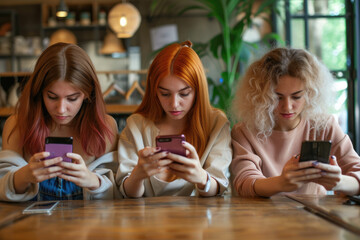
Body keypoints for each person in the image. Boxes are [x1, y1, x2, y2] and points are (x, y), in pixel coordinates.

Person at [231, 47, 360, 197]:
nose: (287, 106)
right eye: (277, 97)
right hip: (262, 218)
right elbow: (244, 184)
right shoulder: (245, 131)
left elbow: (356, 171)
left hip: (314, 216)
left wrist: (339, 182)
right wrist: (281, 183)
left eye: (297, 97)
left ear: (310, 93)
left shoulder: (324, 125)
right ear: (261, 95)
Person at [0, 42, 119, 202]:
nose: (61, 109)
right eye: (52, 97)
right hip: (31, 225)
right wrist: (24, 176)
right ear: (39, 91)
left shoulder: (104, 127)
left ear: (87, 93)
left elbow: (118, 193)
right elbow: (1, 189)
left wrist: (92, 181)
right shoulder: (17, 125)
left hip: (89, 225)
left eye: (72, 98)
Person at [116, 40, 232, 198]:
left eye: (184, 94)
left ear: (199, 90)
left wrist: (201, 178)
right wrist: (137, 175)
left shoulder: (216, 123)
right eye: (165, 94)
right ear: (153, 90)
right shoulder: (136, 125)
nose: (174, 104)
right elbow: (126, 192)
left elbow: (220, 187)